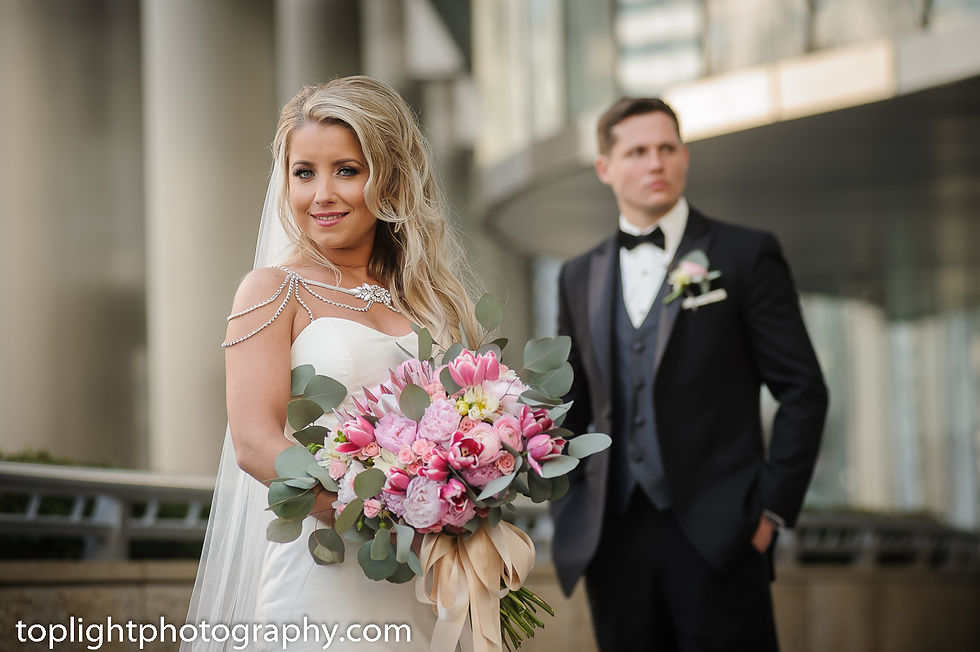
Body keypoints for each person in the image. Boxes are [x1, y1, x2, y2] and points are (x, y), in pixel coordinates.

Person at [183, 76, 480, 651]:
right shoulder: (272, 290)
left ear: (388, 175)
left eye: (347, 170)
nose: (322, 193)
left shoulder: (430, 300)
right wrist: (378, 516)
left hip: (428, 578)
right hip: (327, 571)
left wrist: (474, 486)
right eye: (304, 173)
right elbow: (253, 441)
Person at [549, 97, 828, 650]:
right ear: (606, 168)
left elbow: (803, 390)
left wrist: (770, 507)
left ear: (684, 157)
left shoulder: (745, 255)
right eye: (637, 152)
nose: (656, 163)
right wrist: (569, 504)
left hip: (723, 533)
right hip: (612, 535)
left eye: (667, 149)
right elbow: (569, 404)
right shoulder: (579, 274)